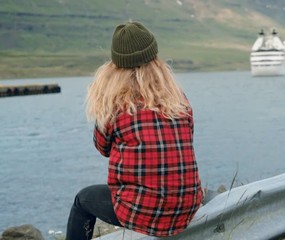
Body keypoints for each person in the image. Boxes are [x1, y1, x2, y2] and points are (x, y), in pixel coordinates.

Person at [66, 21, 204, 239]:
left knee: (82, 201)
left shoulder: (115, 105)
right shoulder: (179, 100)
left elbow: (102, 148)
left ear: (116, 66)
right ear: (155, 59)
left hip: (143, 211)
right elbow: (185, 139)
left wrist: (105, 99)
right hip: (186, 208)